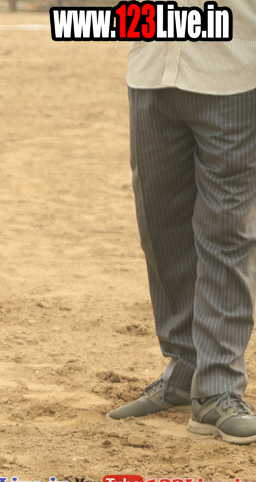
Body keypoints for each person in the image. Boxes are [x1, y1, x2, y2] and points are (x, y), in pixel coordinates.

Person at [108, 6, 256, 445]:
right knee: (160, 228)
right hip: (150, 71)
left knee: (225, 233)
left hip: (234, 73)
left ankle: (219, 386)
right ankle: (187, 367)